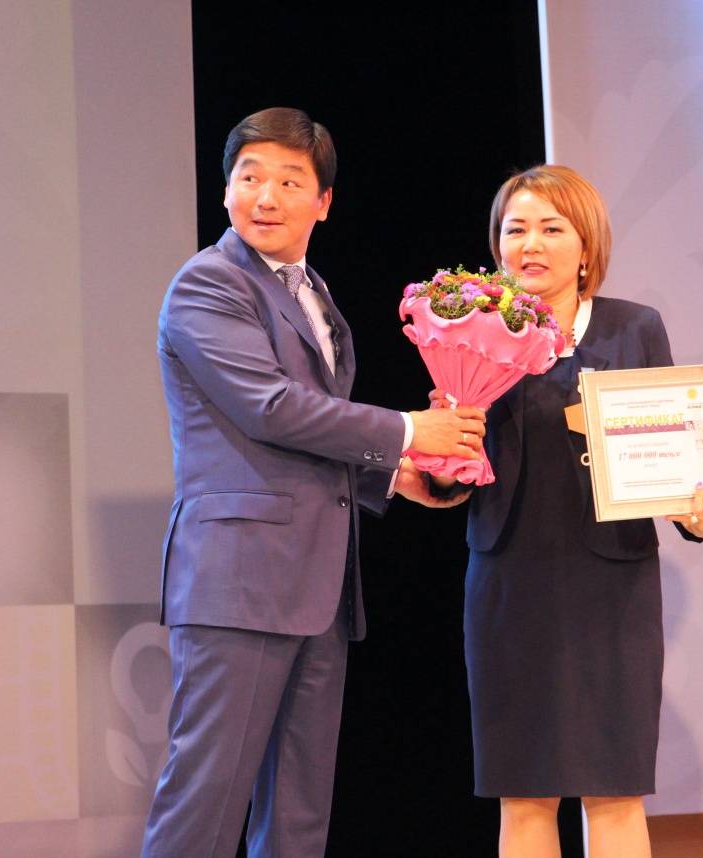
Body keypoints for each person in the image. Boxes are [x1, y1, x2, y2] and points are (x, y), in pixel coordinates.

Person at [141, 107, 486, 858]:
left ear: (324, 202)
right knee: (204, 805)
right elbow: (269, 408)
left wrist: (395, 478)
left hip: (319, 588)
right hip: (240, 583)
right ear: (225, 190)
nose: (265, 196)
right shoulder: (208, 283)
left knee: (298, 818)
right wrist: (407, 431)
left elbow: (311, 437)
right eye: (249, 177)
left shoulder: (314, 292)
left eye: (290, 181)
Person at [440, 165, 703, 858]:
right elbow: (454, 471)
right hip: (508, 580)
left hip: (612, 583)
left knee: (614, 789)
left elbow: (675, 453)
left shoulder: (634, 328)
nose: (530, 244)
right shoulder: (470, 331)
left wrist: (698, 515)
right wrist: (443, 454)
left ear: (586, 247)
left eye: (551, 228)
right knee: (523, 793)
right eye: (515, 230)